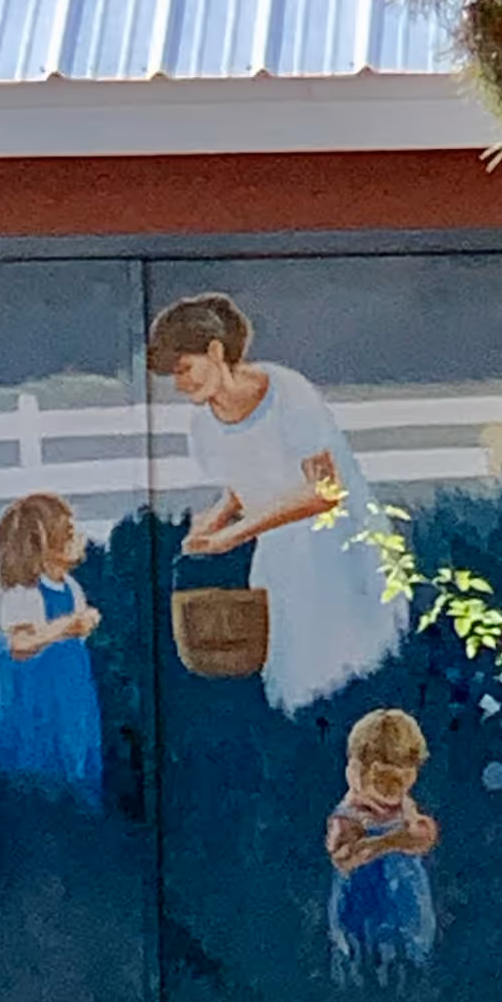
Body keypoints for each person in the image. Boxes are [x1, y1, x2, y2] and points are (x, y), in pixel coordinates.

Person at [149, 292, 406, 714]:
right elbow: (244, 484)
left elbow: (325, 490)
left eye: (184, 368)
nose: (180, 383)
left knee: (349, 672)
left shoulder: (287, 392)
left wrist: (232, 535)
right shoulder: (204, 427)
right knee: (292, 676)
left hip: (338, 550)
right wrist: (213, 522)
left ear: (215, 352)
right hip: (281, 557)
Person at [0, 492, 104, 811]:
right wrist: (68, 627)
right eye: (70, 532)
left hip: (68, 701)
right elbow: (19, 644)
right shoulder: (23, 594)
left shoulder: (71, 588)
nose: (80, 538)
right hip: (31, 704)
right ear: (44, 543)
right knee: (33, 777)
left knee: (74, 767)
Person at [326, 707, 439, 983]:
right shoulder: (349, 815)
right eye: (384, 779)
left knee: (409, 964)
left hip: (406, 907)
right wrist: (390, 841)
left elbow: (425, 835)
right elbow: (344, 857)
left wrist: (414, 832)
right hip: (363, 911)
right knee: (363, 965)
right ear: (357, 770)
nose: (393, 790)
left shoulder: (403, 807)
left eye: (403, 779)